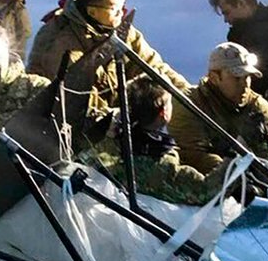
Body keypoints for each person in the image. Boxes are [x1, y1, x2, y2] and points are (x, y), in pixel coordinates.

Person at [28, 0, 192, 131]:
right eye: (115, 9)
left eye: (123, 7)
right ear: (92, 12)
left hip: (111, 121)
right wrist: (117, 119)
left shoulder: (123, 31)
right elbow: (74, 96)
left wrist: (189, 96)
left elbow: (153, 67)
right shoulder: (59, 39)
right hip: (59, 128)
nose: (121, 13)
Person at [87, 78, 235, 207]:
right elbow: (207, 192)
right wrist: (234, 161)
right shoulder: (160, 167)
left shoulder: (101, 134)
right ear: (163, 113)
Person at [170, 42, 268, 175]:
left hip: (253, 179)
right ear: (214, 78)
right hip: (209, 184)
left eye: (247, 77)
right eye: (237, 78)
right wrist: (236, 177)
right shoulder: (189, 103)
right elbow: (194, 153)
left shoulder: (258, 106)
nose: (245, 84)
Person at [209, 0, 268, 89]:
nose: (226, 20)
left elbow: (260, 77)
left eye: (227, 12)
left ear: (241, 3)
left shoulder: (265, 32)